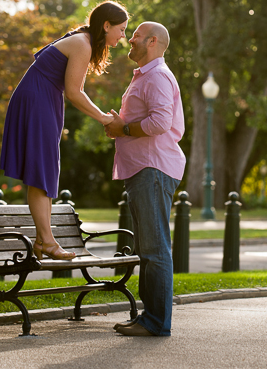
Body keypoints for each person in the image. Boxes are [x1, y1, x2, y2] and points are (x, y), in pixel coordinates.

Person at [0, 0, 129, 260]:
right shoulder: (82, 44)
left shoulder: (84, 42)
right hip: (38, 99)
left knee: (46, 169)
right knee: (40, 169)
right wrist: (105, 119)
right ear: (106, 26)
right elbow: (74, 93)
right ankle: (46, 242)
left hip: (44, 99)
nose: (123, 36)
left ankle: (43, 241)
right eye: (122, 29)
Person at [104, 21, 185, 337]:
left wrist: (122, 128)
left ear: (152, 41)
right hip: (144, 170)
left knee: (155, 249)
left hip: (152, 170)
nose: (129, 40)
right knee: (149, 247)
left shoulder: (157, 76)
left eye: (135, 35)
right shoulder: (148, 76)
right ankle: (149, 318)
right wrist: (121, 124)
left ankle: (155, 322)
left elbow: (160, 122)